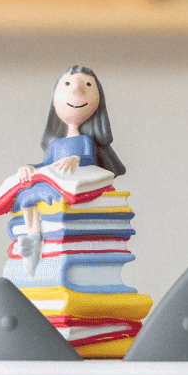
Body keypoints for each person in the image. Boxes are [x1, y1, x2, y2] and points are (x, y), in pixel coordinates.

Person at [10, 66, 124, 274]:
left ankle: (34, 238)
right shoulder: (56, 144)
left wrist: (74, 159)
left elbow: (89, 159)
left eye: (87, 85)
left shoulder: (84, 140)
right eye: (68, 84)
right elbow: (46, 164)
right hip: (53, 182)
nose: (77, 91)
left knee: (41, 197)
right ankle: (32, 237)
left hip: (69, 186)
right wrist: (29, 167)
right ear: (54, 102)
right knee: (26, 196)